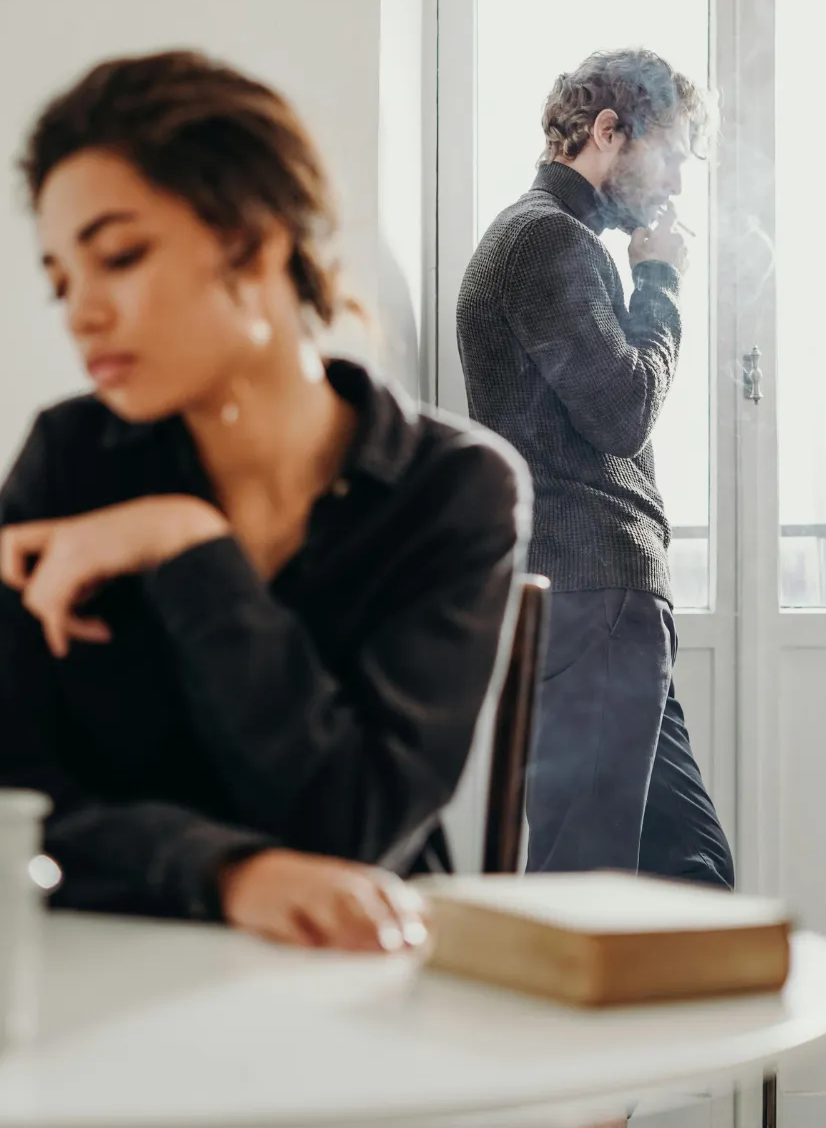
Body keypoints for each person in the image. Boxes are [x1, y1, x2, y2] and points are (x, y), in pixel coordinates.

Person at [0, 50, 530, 952]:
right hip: (99, 972)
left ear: (255, 243)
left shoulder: (454, 490)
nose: (80, 313)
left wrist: (188, 547)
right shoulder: (70, 457)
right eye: (61, 282)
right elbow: (13, 802)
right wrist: (223, 872)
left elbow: (353, 828)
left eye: (118, 257)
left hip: (352, 984)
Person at [457, 48, 733, 888]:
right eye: (672, 154)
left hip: (601, 596)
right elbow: (622, 411)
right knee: (584, 879)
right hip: (593, 593)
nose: (677, 183)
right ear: (608, 131)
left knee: (694, 870)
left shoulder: (550, 238)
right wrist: (659, 282)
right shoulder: (548, 238)